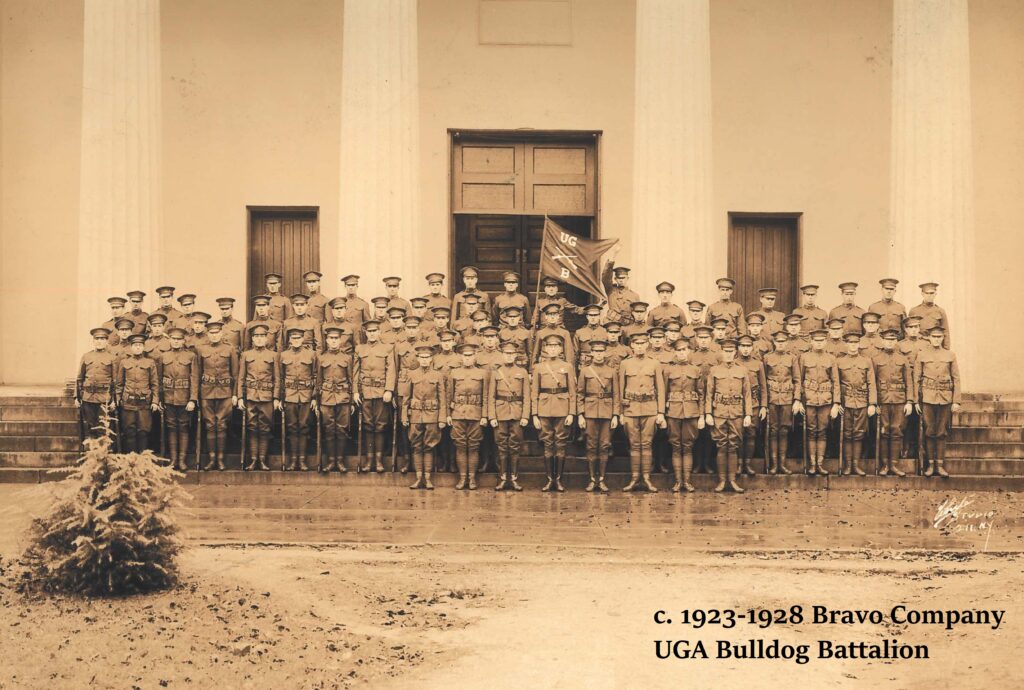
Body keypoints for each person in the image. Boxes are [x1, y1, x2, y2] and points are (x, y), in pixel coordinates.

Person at [618, 332, 665, 492]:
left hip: (650, 408)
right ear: (631, 345)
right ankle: (634, 478)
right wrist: (620, 413)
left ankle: (646, 478)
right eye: (636, 343)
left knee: (646, 444)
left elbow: (661, 389)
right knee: (634, 444)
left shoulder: (655, 364)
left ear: (647, 344)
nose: (639, 346)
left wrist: (660, 412)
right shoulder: (625, 364)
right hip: (630, 409)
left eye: (642, 343)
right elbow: (620, 389)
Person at [705, 339, 753, 493]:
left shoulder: (742, 370)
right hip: (719, 412)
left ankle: (732, 480)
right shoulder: (714, 370)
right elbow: (709, 394)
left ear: (735, 352)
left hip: (736, 412)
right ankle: (722, 481)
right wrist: (708, 413)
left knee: (733, 446)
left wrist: (748, 414)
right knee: (721, 445)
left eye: (731, 351)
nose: (728, 354)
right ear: (721, 352)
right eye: (725, 351)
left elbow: (747, 394)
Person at [532, 335, 577, 492]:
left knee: (560, 443)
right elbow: (534, 392)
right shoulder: (538, 367)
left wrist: (571, 413)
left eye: (555, 346)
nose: (552, 349)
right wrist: (534, 414)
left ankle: (558, 480)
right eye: (549, 346)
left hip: (562, 408)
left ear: (560, 349)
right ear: (544, 348)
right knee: (547, 443)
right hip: (544, 408)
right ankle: (549, 479)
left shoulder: (567, 367)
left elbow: (572, 391)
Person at [915, 326, 960, 477]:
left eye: (939, 337)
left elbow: (956, 378)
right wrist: (916, 401)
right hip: (927, 398)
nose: (936, 339)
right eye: (933, 336)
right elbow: (916, 379)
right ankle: (930, 465)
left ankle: (940, 465)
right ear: (929, 338)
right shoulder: (922, 355)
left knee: (941, 432)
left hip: (945, 398)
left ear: (942, 338)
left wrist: (956, 401)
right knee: (929, 431)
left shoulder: (950, 355)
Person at [661, 338, 704, 492]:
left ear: (689, 351)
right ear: (674, 352)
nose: (682, 353)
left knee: (688, 446)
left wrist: (702, 415)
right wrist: (662, 413)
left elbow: (701, 394)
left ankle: (687, 481)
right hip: (673, 412)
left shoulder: (696, 370)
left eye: (685, 349)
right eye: (679, 350)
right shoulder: (668, 370)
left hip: (692, 412)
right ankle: (678, 482)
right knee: (675, 446)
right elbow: (663, 393)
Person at [354, 320, 396, 473]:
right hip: (365, 392)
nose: (372, 334)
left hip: (380, 393)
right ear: (365, 333)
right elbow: (355, 372)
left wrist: (389, 390)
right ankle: (369, 460)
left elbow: (391, 370)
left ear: (379, 332)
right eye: (369, 331)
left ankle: (378, 461)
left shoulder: (387, 348)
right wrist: (355, 391)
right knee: (367, 425)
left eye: (375, 331)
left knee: (380, 426)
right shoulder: (360, 348)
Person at [577, 340, 619, 492]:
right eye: (596, 351)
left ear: (605, 353)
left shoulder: (612, 371)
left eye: (601, 352)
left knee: (604, 445)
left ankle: (601, 479)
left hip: (607, 412)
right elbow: (580, 393)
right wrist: (580, 414)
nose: (599, 354)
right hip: (590, 411)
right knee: (591, 445)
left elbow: (616, 394)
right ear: (592, 353)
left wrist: (615, 415)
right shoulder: (585, 371)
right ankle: (591, 479)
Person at [488, 341, 531, 491]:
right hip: (500, 413)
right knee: (501, 446)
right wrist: (492, 416)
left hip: (517, 413)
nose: (509, 356)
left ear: (516, 355)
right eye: (506, 354)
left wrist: (525, 416)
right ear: (502, 355)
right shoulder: (496, 372)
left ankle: (513, 478)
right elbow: (491, 396)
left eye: (512, 354)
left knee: (514, 446)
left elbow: (527, 396)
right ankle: (502, 478)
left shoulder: (523, 372)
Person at [403, 345, 447, 489]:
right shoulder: (411, 374)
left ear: (431, 358)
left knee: (429, 446)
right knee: (416, 446)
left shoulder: (438, 375)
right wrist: (405, 415)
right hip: (415, 415)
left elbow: (442, 398)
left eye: (427, 357)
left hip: (432, 415)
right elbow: (406, 397)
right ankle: (418, 478)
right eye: (421, 357)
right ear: (418, 358)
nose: (424, 360)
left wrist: (442, 418)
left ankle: (427, 479)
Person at [798, 329, 841, 476]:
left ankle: (820, 464)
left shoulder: (831, 358)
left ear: (826, 341)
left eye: (822, 340)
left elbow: (836, 382)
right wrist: (798, 400)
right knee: (811, 431)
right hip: (809, 400)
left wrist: (836, 403)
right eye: (816, 341)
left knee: (822, 431)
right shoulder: (804, 357)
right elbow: (799, 380)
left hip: (825, 400)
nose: (819, 343)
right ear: (811, 341)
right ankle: (812, 465)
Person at [236, 323, 279, 471]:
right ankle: (253, 460)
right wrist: (240, 397)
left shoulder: (273, 355)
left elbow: (277, 378)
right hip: (250, 396)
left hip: (267, 397)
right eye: (256, 336)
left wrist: (276, 398)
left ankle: (262, 460)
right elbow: (241, 377)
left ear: (267, 338)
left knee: (265, 428)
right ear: (252, 339)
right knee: (252, 427)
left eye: (262, 336)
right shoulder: (246, 355)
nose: (259, 339)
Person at [196, 320, 237, 470]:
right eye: (211, 333)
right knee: (210, 425)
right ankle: (211, 459)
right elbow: (197, 373)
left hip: (225, 392)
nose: (214, 336)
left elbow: (236, 374)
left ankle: (220, 460)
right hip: (206, 391)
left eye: (216, 333)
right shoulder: (201, 349)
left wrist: (235, 394)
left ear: (221, 333)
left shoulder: (230, 349)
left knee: (221, 424)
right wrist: (197, 395)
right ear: (207, 334)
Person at [872, 329, 914, 477]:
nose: (890, 342)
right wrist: (874, 403)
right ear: (882, 341)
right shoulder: (876, 359)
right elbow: (873, 382)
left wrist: (909, 401)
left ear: (896, 341)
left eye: (893, 340)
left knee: (896, 431)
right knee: (884, 431)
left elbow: (909, 381)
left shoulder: (903, 359)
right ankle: (884, 465)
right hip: (882, 400)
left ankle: (894, 465)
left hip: (899, 400)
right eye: (887, 340)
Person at [448, 343, 489, 490]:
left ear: (475, 356)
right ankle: (462, 478)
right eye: (465, 356)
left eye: (470, 356)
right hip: (458, 414)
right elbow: (449, 395)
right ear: (461, 357)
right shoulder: (454, 373)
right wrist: (448, 414)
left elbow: (486, 396)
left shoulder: (482, 373)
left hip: (476, 414)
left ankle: (472, 479)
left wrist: (484, 415)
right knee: (460, 446)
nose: (467, 358)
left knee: (473, 446)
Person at [836, 333, 877, 476]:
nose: (853, 346)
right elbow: (836, 383)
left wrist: (872, 403)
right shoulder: (839, 361)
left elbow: (871, 383)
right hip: (845, 402)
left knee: (859, 434)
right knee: (847, 434)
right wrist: (837, 402)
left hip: (861, 401)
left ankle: (856, 465)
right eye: (850, 343)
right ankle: (848, 466)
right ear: (846, 344)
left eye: (855, 343)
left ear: (859, 344)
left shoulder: (866, 361)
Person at [157, 327, 199, 470]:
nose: (176, 342)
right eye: (173, 339)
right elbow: (158, 380)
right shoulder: (163, 356)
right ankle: (173, 460)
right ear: (169, 340)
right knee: (171, 427)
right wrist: (159, 399)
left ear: (183, 341)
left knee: (183, 427)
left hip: (185, 399)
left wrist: (193, 399)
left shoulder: (190, 356)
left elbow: (194, 379)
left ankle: (182, 460)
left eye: (179, 339)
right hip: (168, 398)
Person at [279, 328, 318, 471]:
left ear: (303, 339)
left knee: (304, 426)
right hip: (290, 396)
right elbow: (281, 378)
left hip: (306, 395)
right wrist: (281, 398)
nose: (296, 341)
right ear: (289, 340)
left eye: (298, 338)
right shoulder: (283, 355)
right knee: (291, 427)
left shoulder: (312, 355)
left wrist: (314, 397)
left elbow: (315, 376)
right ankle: (293, 460)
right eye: (293, 338)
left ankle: (302, 460)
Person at [318, 326, 356, 473]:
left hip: (343, 398)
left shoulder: (347, 358)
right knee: (328, 429)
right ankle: (330, 461)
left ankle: (340, 461)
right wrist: (317, 400)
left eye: (336, 339)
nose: (333, 341)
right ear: (327, 340)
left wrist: (351, 401)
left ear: (340, 340)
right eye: (331, 338)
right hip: (326, 398)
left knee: (341, 429)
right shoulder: (321, 358)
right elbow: (318, 381)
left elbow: (351, 379)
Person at [763, 330, 801, 475]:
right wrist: (764, 404)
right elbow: (763, 381)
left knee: (784, 430)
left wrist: (796, 399)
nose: (781, 344)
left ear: (787, 342)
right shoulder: (767, 358)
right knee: (773, 430)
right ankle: (774, 465)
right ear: (774, 342)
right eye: (778, 342)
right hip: (772, 399)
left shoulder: (792, 358)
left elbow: (797, 380)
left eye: (783, 342)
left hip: (786, 398)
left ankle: (782, 464)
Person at [116, 334, 160, 453]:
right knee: (129, 431)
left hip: (144, 403)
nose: (137, 348)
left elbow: (155, 384)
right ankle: (131, 460)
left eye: (140, 345)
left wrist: (155, 401)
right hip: (128, 402)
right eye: (135, 345)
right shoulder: (124, 362)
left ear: (144, 347)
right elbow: (119, 384)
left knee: (143, 431)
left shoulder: (150, 362)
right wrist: (117, 399)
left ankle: (143, 461)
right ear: (131, 347)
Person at [76, 327, 117, 441]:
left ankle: (103, 455)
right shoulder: (86, 356)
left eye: (102, 338)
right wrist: (77, 397)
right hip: (88, 397)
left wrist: (114, 400)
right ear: (93, 341)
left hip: (104, 398)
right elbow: (80, 378)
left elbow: (115, 381)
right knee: (90, 428)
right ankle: (91, 456)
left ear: (107, 341)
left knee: (103, 428)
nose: (99, 341)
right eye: (97, 338)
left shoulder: (112, 358)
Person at [736, 335, 767, 477]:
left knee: (751, 434)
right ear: (738, 347)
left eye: (748, 346)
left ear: (752, 347)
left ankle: (747, 464)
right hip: (737, 404)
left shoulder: (758, 364)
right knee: (738, 434)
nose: (745, 349)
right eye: (743, 346)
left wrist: (763, 406)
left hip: (754, 403)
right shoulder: (734, 363)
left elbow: (763, 386)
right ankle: (739, 464)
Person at [909, 282, 950, 349]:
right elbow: (908, 331)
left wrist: (946, 349)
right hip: (919, 345)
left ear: (935, 294)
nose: (929, 295)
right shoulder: (914, 311)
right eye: (927, 293)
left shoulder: (940, 311)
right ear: (922, 294)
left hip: (935, 345)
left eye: (931, 293)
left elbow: (945, 332)